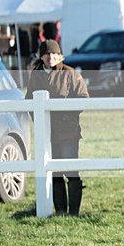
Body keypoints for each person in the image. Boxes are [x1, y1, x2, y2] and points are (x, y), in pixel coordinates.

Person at [26, 40, 89, 215]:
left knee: (71, 170)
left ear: (59, 54)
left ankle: (74, 212)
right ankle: (60, 211)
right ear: (41, 56)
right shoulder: (35, 75)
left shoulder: (71, 74)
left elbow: (83, 98)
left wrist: (66, 114)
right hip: (46, 133)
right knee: (54, 172)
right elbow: (29, 100)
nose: (50, 57)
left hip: (68, 131)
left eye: (54, 53)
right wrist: (38, 120)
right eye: (47, 54)